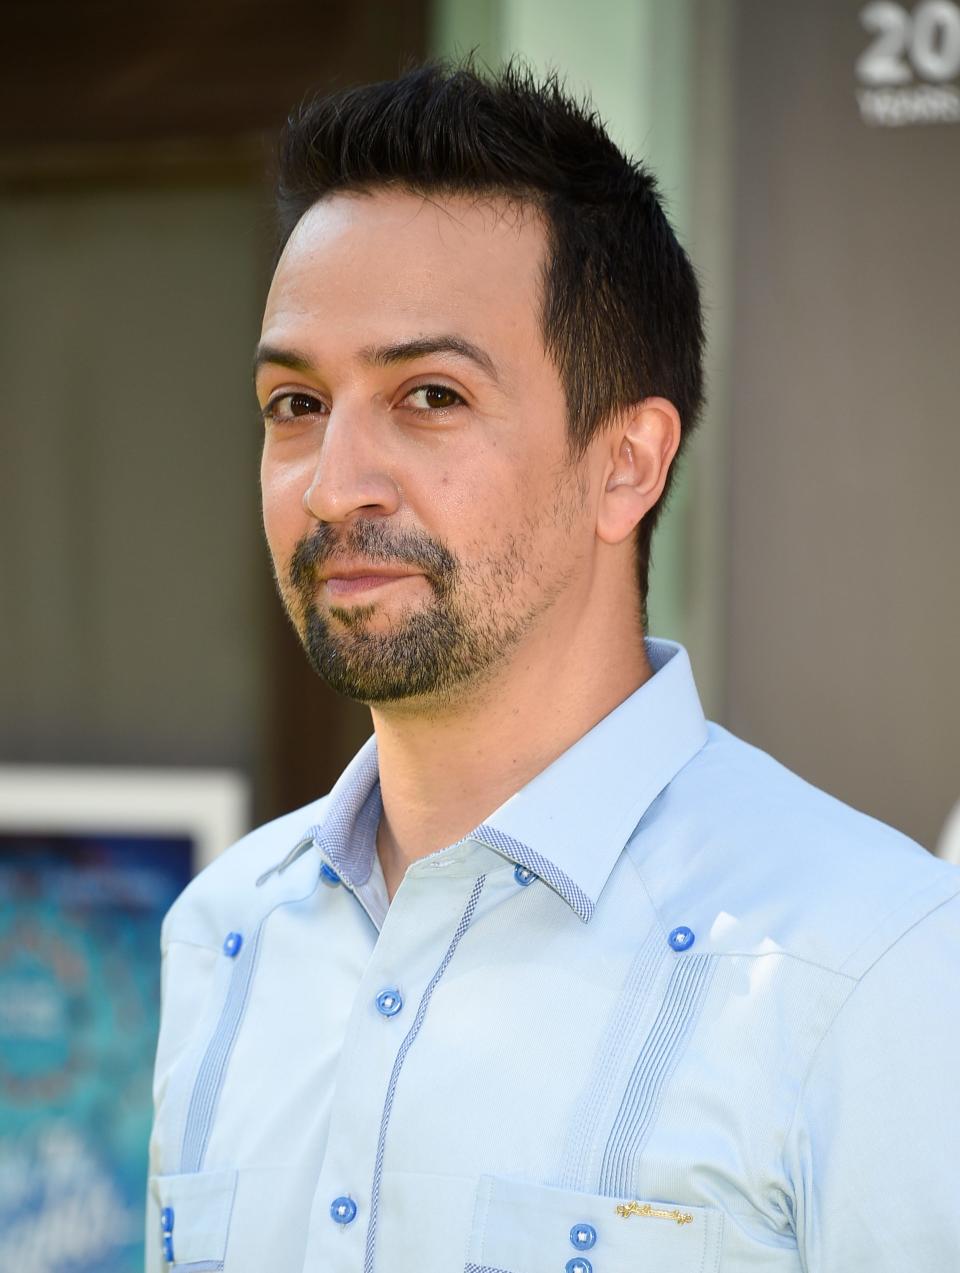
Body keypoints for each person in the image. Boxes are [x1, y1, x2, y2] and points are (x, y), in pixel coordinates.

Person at [146, 61, 960, 1273]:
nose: (331, 484)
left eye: (429, 394)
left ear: (626, 462)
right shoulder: (223, 933)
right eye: (295, 403)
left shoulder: (875, 964)